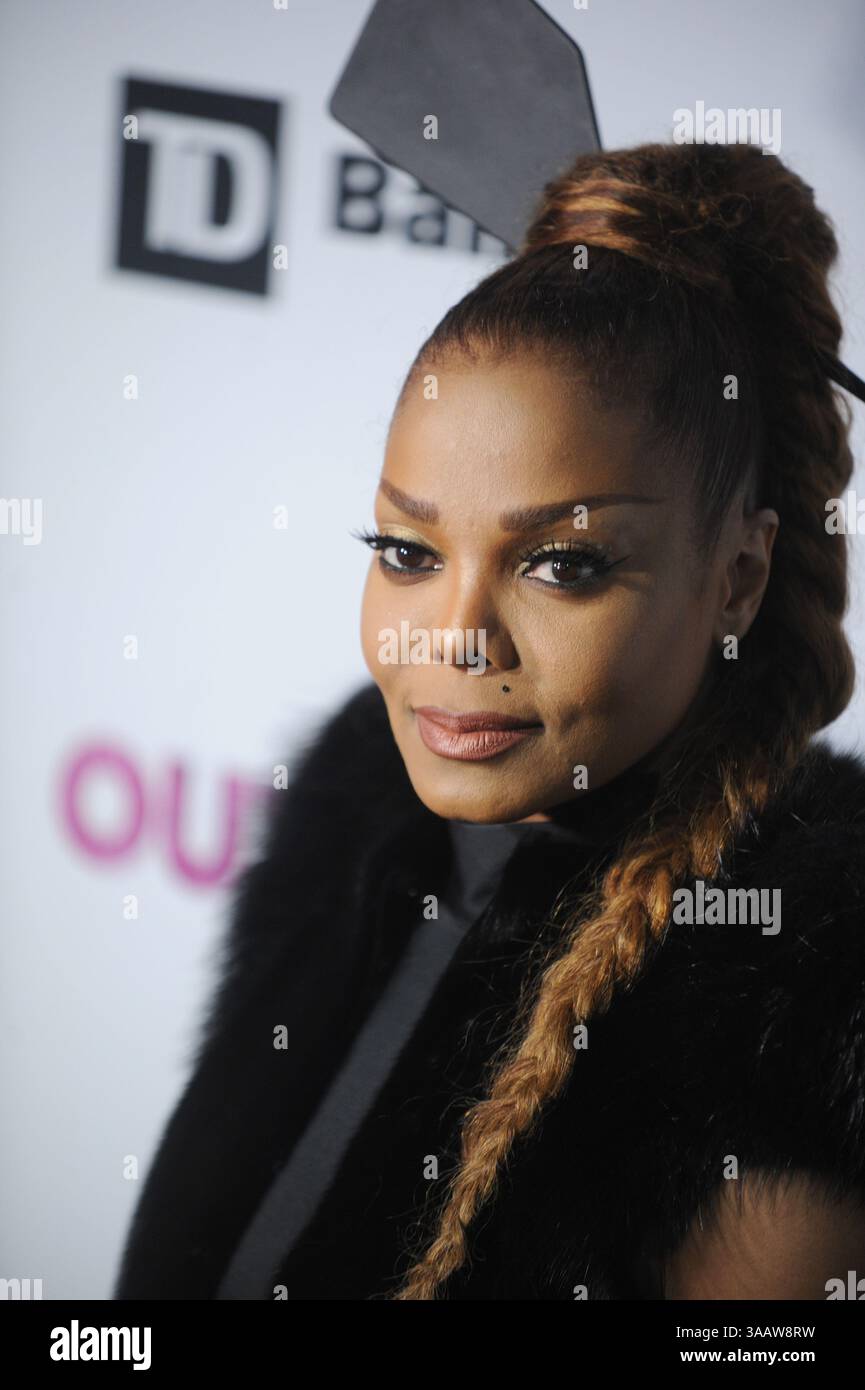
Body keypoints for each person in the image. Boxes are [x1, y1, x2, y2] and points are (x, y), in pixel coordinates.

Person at [114, 140, 865, 1301]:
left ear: (738, 578)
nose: (450, 640)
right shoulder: (356, 811)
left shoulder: (802, 996)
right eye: (406, 551)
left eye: (562, 564)